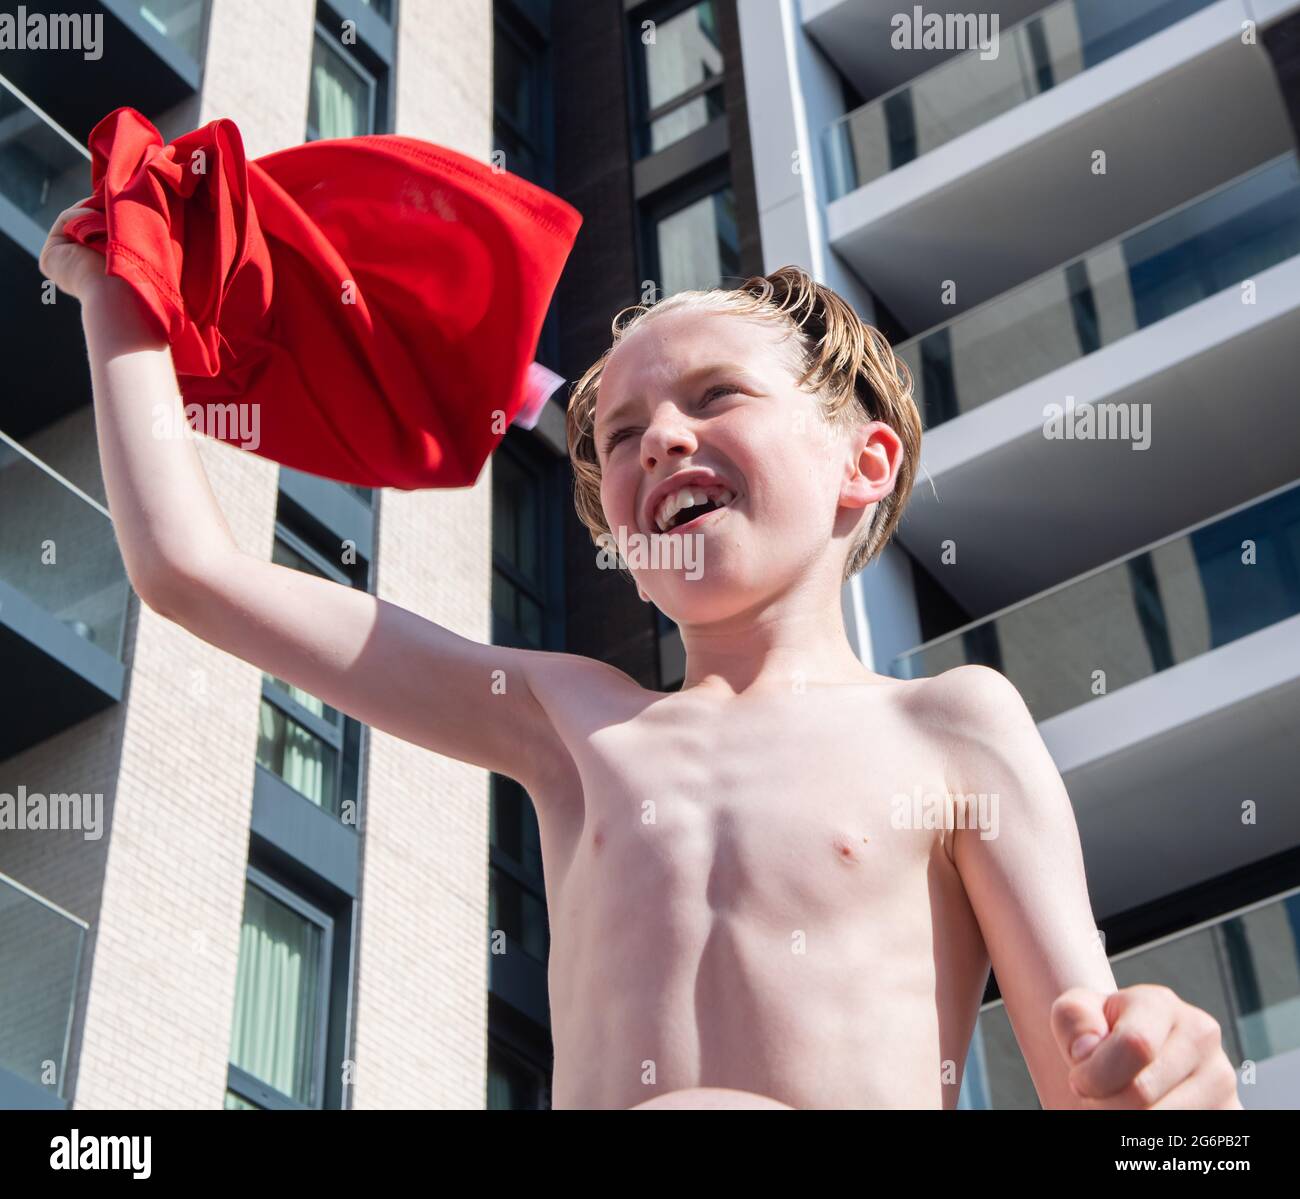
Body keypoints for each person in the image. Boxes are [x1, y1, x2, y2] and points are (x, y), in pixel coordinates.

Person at [39, 207, 1242, 1110]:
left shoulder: (950, 724)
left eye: (716, 396)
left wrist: (1161, 1082)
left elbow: (1088, 1051)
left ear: (862, 464)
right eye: (619, 434)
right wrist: (115, 289)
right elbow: (190, 572)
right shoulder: (572, 718)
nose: (660, 436)